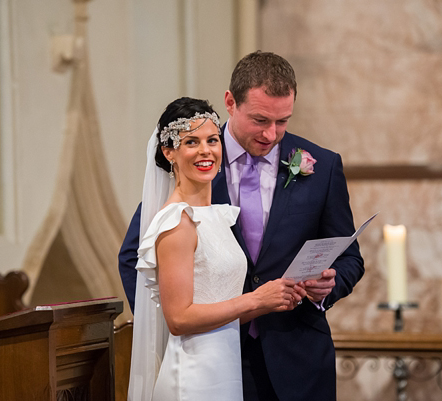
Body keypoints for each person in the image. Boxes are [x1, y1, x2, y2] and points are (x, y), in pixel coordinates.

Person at [120, 52, 364, 401]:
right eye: (260, 119)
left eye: (282, 121)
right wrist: (163, 330)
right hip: (210, 360)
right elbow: (134, 255)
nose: (272, 133)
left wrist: (330, 283)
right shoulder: (197, 159)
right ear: (230, 102)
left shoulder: (321, 166)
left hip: (298, 358)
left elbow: (350, 257)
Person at [127, 97, 306, 401]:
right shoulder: (177, 222)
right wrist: (254, 300)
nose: (206, 151)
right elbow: (179, 319)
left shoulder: (215, 216)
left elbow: (219, 302)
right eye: (191, 142)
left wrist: (273, 298)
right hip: (194, 378)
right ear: (169, 152)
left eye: (212, 140)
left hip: (224, 369)